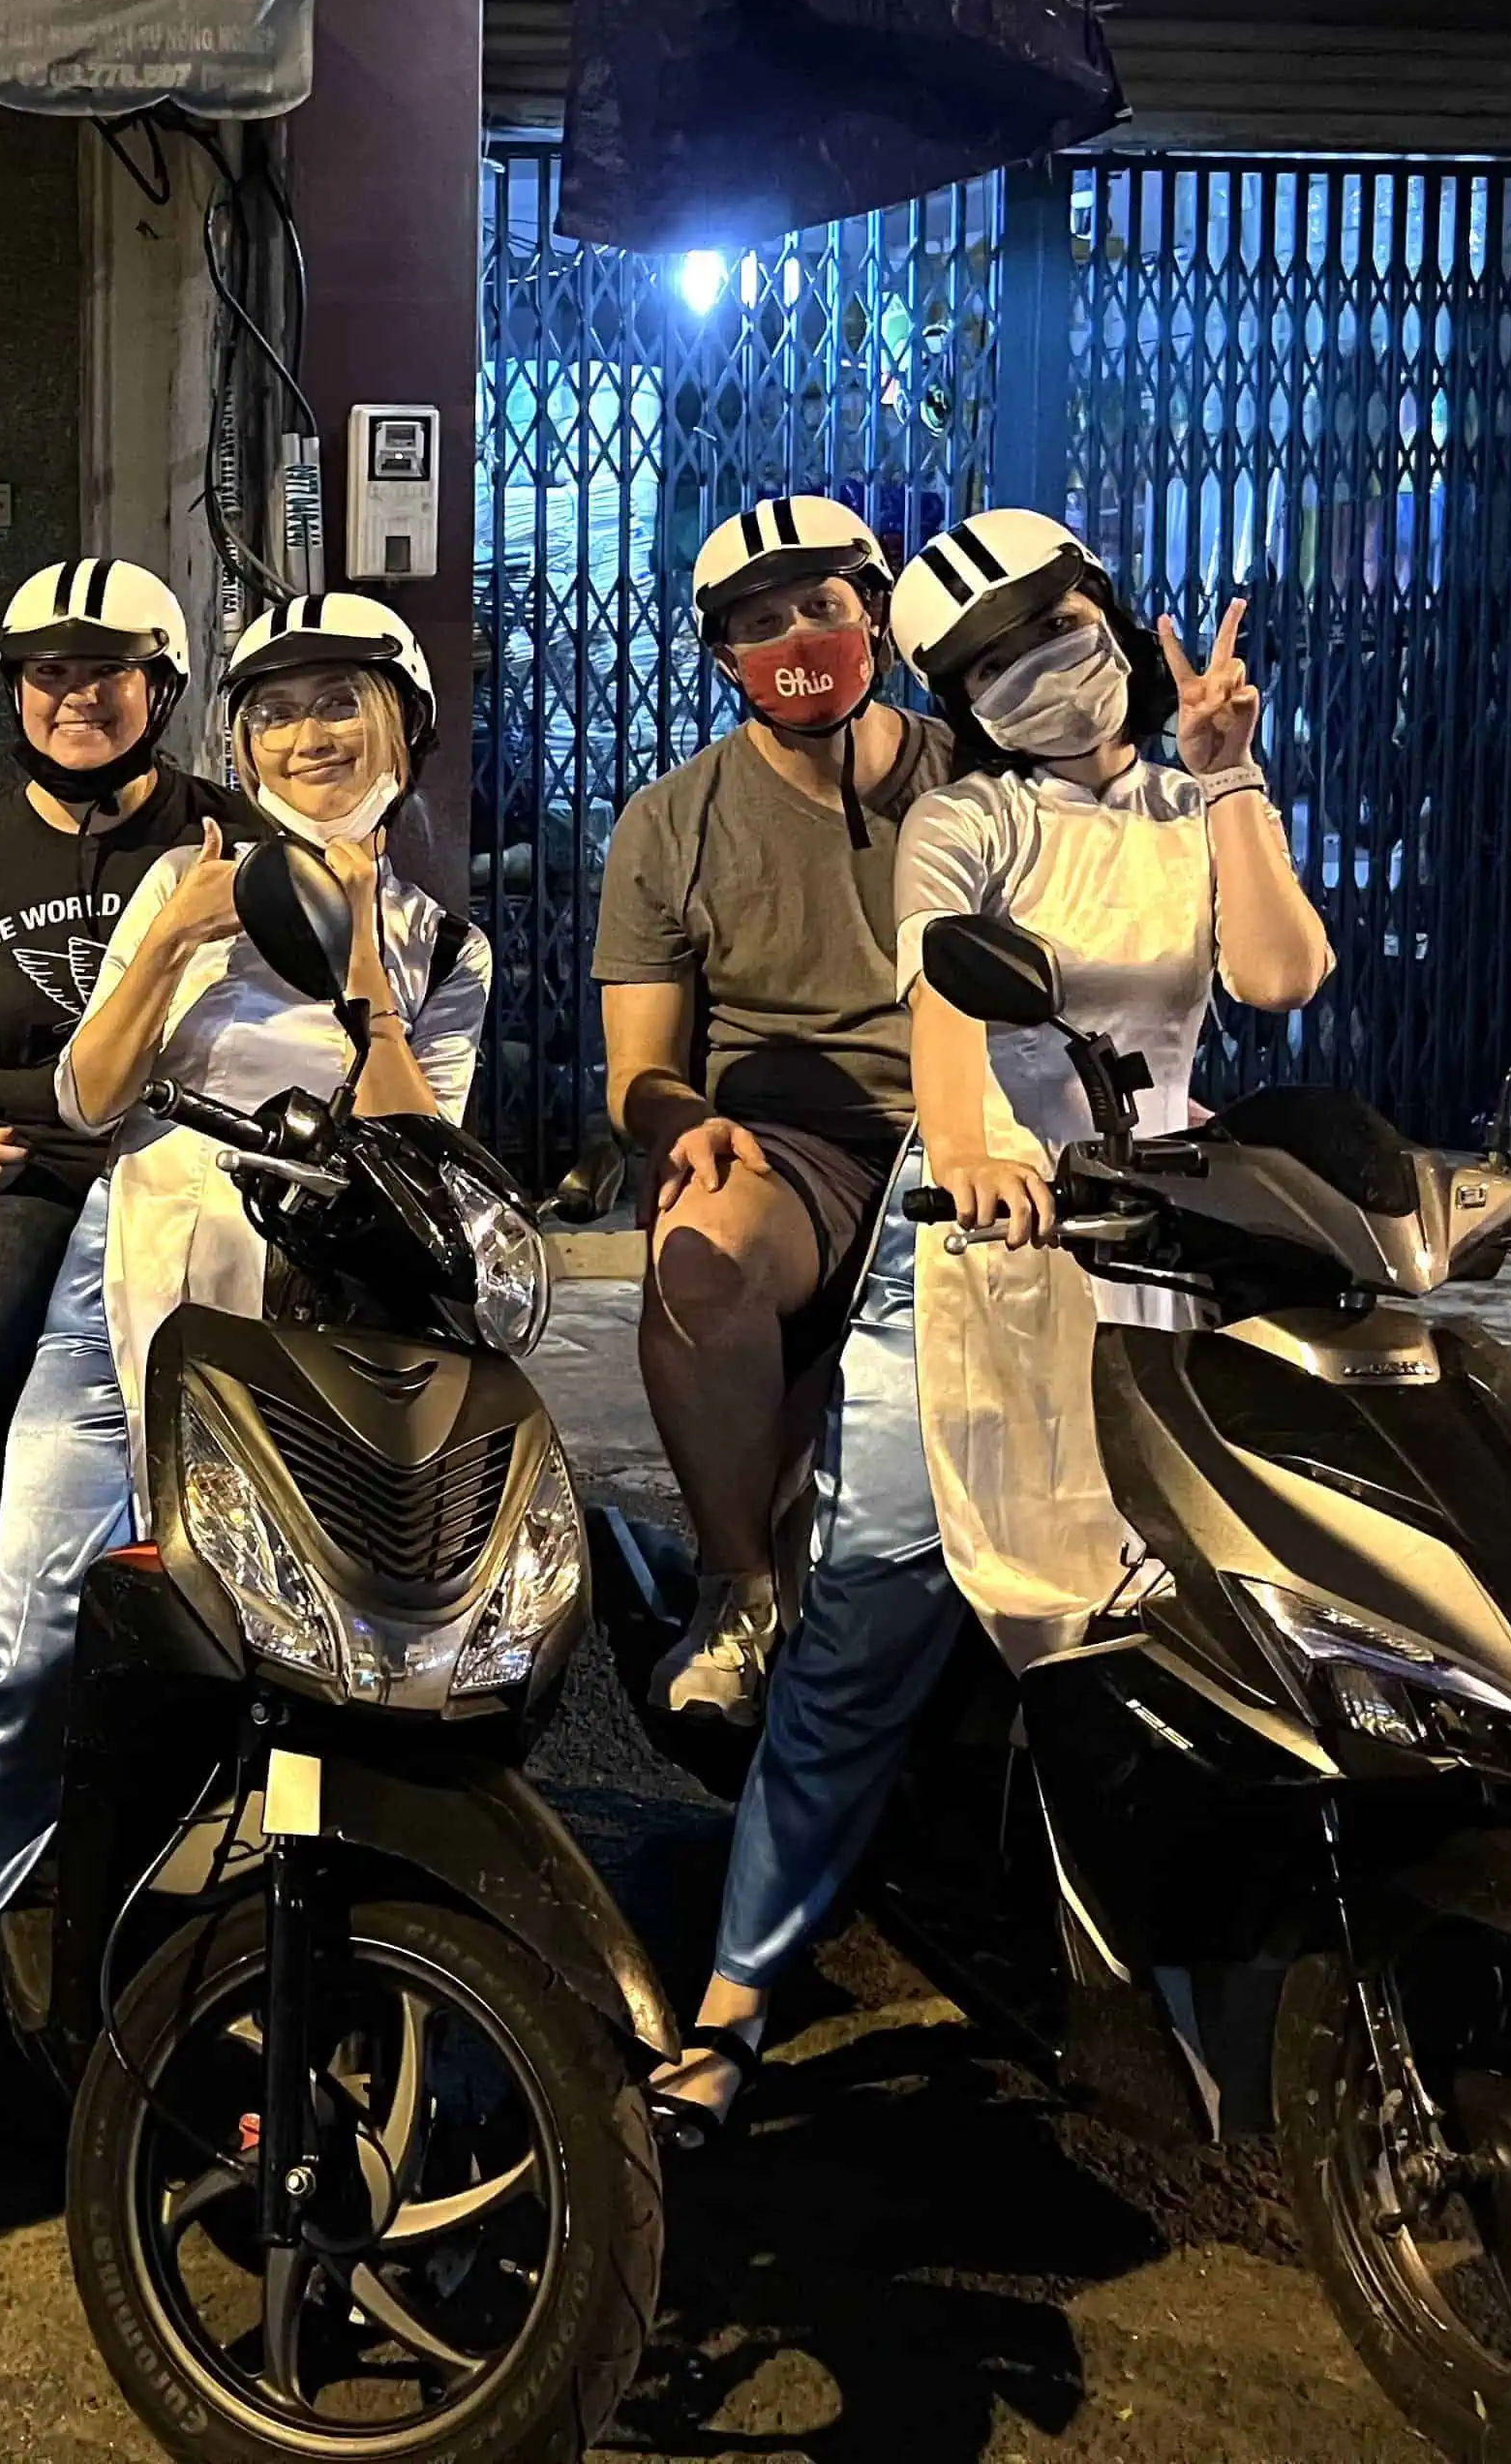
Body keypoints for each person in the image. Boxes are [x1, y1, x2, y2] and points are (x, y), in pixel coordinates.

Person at [0, 591, 492, 2246]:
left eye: (345, 703)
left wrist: (361, 976)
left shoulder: (444, 942)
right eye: (280, 711)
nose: (312, 734)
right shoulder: (175, 878)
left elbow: (421, 1150)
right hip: (118, 1299)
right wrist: (183, 934)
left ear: (406, 729)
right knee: (21, 1662)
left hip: (325, 1328)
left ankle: (306, 2004)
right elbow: (83, 1097)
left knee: (331, 1680)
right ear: (237, 738)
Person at [593, 497, 967, 2144]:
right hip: (794, 1148)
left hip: (988, 1147)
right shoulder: (669, 822)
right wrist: (683, 1121)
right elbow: (634, 1064)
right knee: (693, 1253)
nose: (793, 641)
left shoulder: (983, 778)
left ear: (874, 611)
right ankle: (742, 1590)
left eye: (816, 605)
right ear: (718, 656)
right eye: (755, 623)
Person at [889, 511, 1331, 1668]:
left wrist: (1230, 772)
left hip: (1168, 1218)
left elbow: (1280, 975)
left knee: (1205, 1565)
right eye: (992, 662)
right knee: (884, 1584)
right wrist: (968, 1158)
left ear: (1112, 619)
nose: (1035, 667)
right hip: (999, 1217)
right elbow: (944, 994)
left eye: (1056, 628)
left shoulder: (1195, 809)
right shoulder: (968, 818)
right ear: (963, 700)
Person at [0, 560, 262, 1699]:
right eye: (50, 673)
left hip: (198, 1161)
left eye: (109, 674)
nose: (77, 697)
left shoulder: (234, 837)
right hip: (31, 1164)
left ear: (163, 689)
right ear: (14, 689)